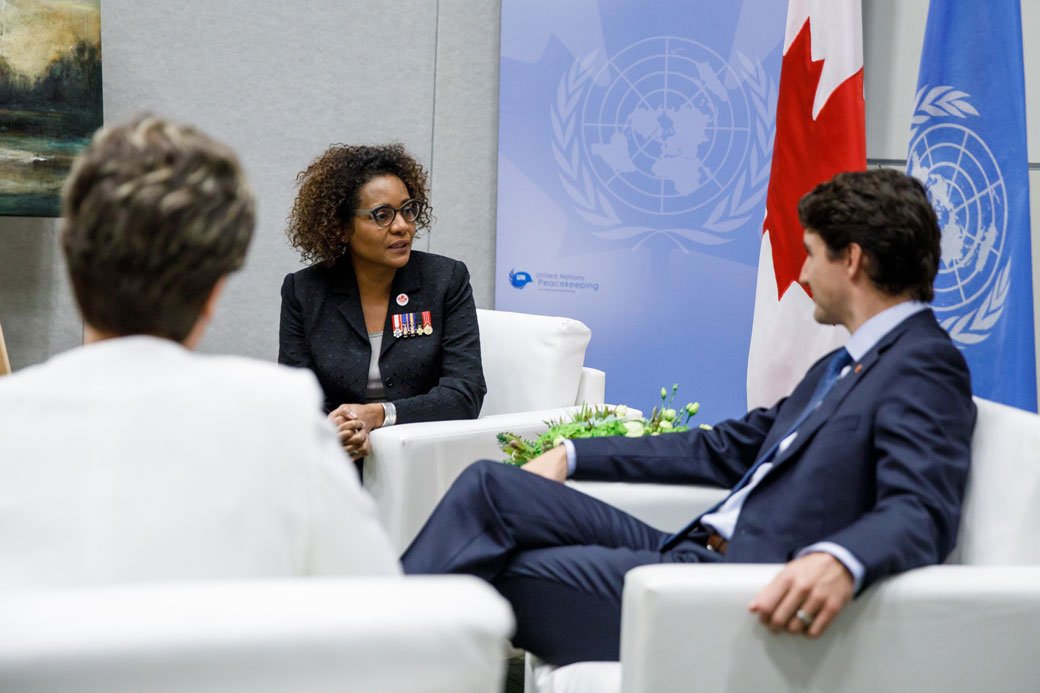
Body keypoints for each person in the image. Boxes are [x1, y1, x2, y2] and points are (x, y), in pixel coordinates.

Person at [402, 168, 976, 665]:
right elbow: (725, 447)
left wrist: (841, 559)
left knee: (493, 573)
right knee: (491, 488)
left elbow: (922, 509)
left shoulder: (924, 365)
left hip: (731, 586)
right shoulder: (844, 362)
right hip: (694, 547)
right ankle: (373, 628)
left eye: (809, 252)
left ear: (851, 259)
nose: (800, 275)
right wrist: (575, 452)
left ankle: (363, 652)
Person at [0, 115, 399, 587]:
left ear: (72, 260)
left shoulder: (11, 422)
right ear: (214, 290)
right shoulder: (282, 418)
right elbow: (372, 602)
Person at [279, 143, 486, 462]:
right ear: (341, 226)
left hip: (423, 457)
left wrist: (379, 415)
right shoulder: (304, 291)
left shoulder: (445, 280)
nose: (402, 226)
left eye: (408, 210)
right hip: (335, 461)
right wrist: (335, 431)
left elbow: (464, 393)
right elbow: (296, 396)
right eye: (382, 215)